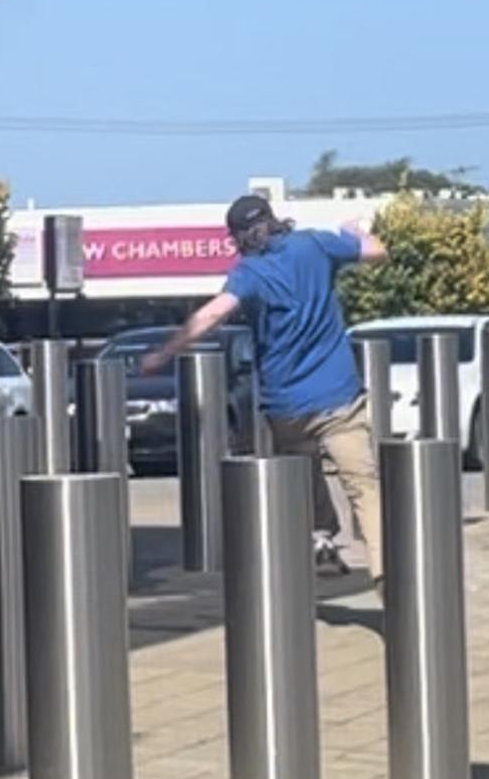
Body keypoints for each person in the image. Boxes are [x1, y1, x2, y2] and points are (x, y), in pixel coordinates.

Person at [141, 195, 389, 592]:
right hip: (338, 395)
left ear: (238, 236)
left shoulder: (249, 273)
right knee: (363, 483)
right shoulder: (315, 244)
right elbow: (378, 252)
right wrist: (354, 232)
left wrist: (165, 352)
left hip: (285, 403)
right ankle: (383, 570)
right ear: (273, 220)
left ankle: (322, 535)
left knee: (303, 466)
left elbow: (212, 313)